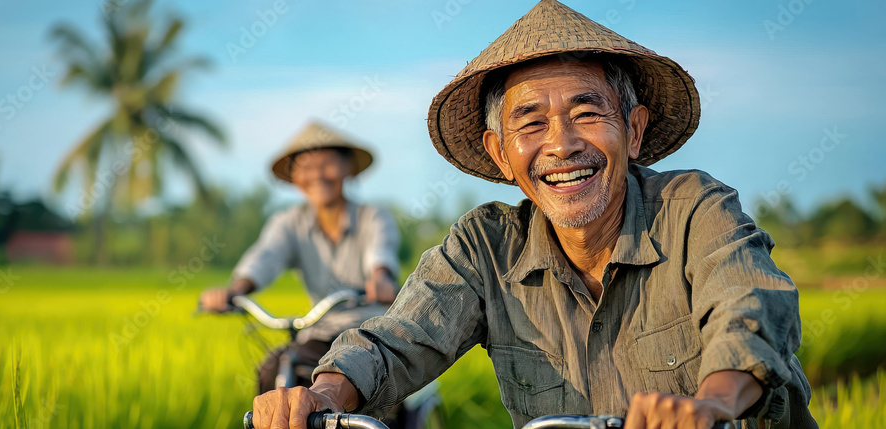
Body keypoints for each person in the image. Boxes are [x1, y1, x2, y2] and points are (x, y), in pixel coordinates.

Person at [249, 2, 819, 429]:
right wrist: (323, 394)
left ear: (635, 130)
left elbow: (749, 310)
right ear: (501, 153)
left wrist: (712, 403)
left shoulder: (693, 208)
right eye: (531, 124)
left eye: (586, 112)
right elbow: (398, 338)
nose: (562, 145)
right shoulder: (484, 247)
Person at [199, 121, 400, 393]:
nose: (316, 174)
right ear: (295, 178)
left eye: (326, 163)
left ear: (347, 168)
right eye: (305, 167)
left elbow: (381, 252)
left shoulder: (372, 217)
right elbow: (266, 256)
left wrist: (380, 279)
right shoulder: (289, 222)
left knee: (362, 386)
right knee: (276, 371)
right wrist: (235, 291)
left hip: (368, 330)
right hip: (320, 331)